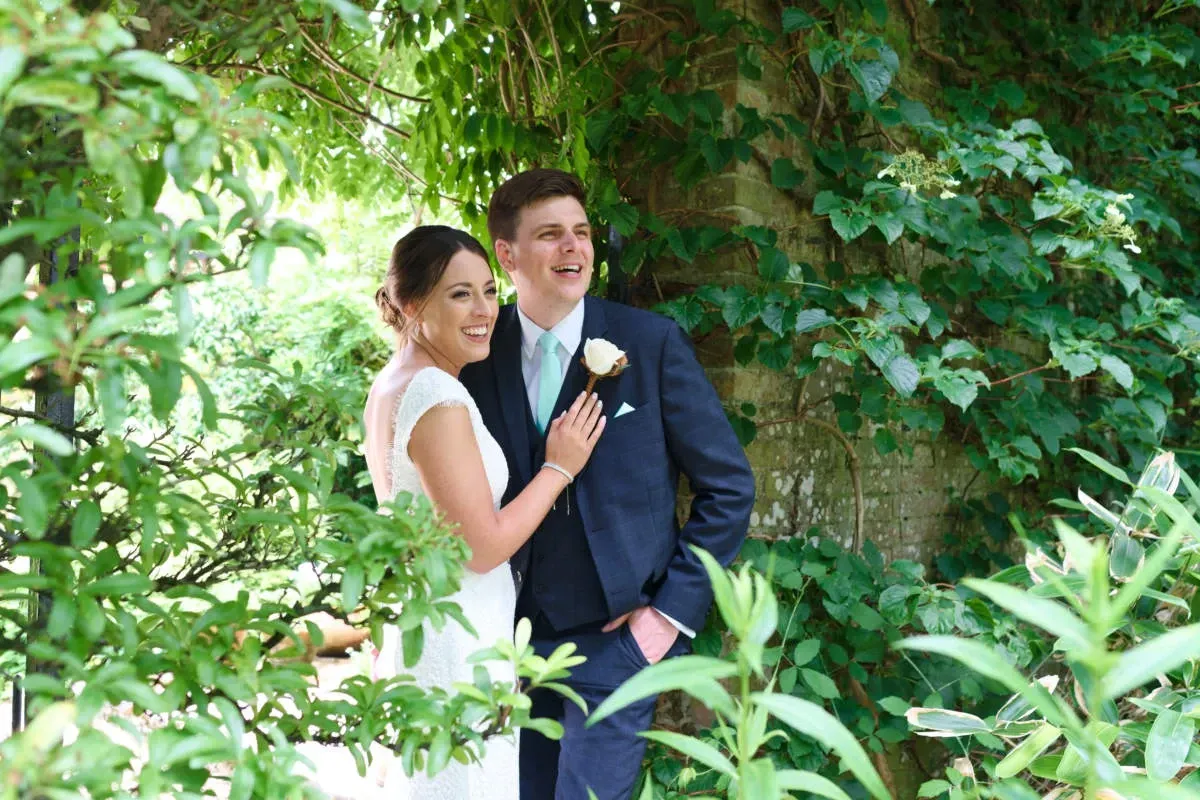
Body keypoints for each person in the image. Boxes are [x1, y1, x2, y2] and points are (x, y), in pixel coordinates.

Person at [459, 169, 755, 800]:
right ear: (506, 255)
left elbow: (728, 487)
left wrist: (668, 615)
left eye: (582, 233)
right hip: (507, 641)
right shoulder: (477, 355)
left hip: (616, 642)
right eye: (550, 235)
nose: (574, 248)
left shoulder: (650, 344)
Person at [362, 225, 605, 800]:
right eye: (460, 294)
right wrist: (558, 468)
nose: (485, 310)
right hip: (454, 635)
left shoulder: (393, 384)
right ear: (413, 305)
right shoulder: (435, 396)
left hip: (430, 619)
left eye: (490, 291)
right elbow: (482, 548)